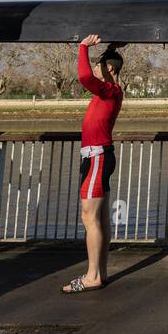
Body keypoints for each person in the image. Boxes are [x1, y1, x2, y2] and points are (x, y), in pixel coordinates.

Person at [62, 35, 124, 294]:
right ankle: (101, 272)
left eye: (99, 66)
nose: (94, 70)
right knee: (99, 218)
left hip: (98, 157)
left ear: (109, 70)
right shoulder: (106, 91)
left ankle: (92, 276)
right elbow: (92, 76)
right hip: (95, 157)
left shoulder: (110, 91)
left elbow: (84, 77)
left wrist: (83, 47)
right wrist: (110, 47)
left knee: (89, 217)